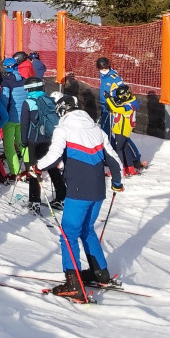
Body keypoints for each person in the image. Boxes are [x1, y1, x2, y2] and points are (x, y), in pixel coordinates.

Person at [34, 94, 124, 302]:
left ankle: (73, 284)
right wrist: (117, 183)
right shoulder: (96, 129)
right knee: (87, 230)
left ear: (62, 111)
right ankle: (100, 273)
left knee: (68, 235)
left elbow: (54, 155)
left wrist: (36, 167)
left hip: (78, 190)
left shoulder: (63, 129)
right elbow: (114, 160)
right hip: (98, 190)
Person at [21, 78, 66, 212]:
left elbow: (24, 124)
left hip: (35, 141)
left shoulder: (28, 103)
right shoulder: (50, 100)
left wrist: (23, 141)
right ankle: (61, 198)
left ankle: (34, 201)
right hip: (51, 139)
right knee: (53, 168)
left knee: (34, 170)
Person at [106, 83, 139, 176]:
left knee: (118, 149)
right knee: (124, 148)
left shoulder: (129, 106)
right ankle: (130, 168)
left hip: (122, 130)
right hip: (122, 129)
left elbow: (116, 108)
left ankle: (120, 170)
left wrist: (108, 98)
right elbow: (116, 108)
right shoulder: (130, 102)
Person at [0, 57, 25, 179]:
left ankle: (16, 171)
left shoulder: (6, 82)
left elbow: (4, 100)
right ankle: (31, 168)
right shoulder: (25, 80)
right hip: (23, 117)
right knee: (22, 143)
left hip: (10, 118)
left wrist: (1, 115)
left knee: (9, 145)